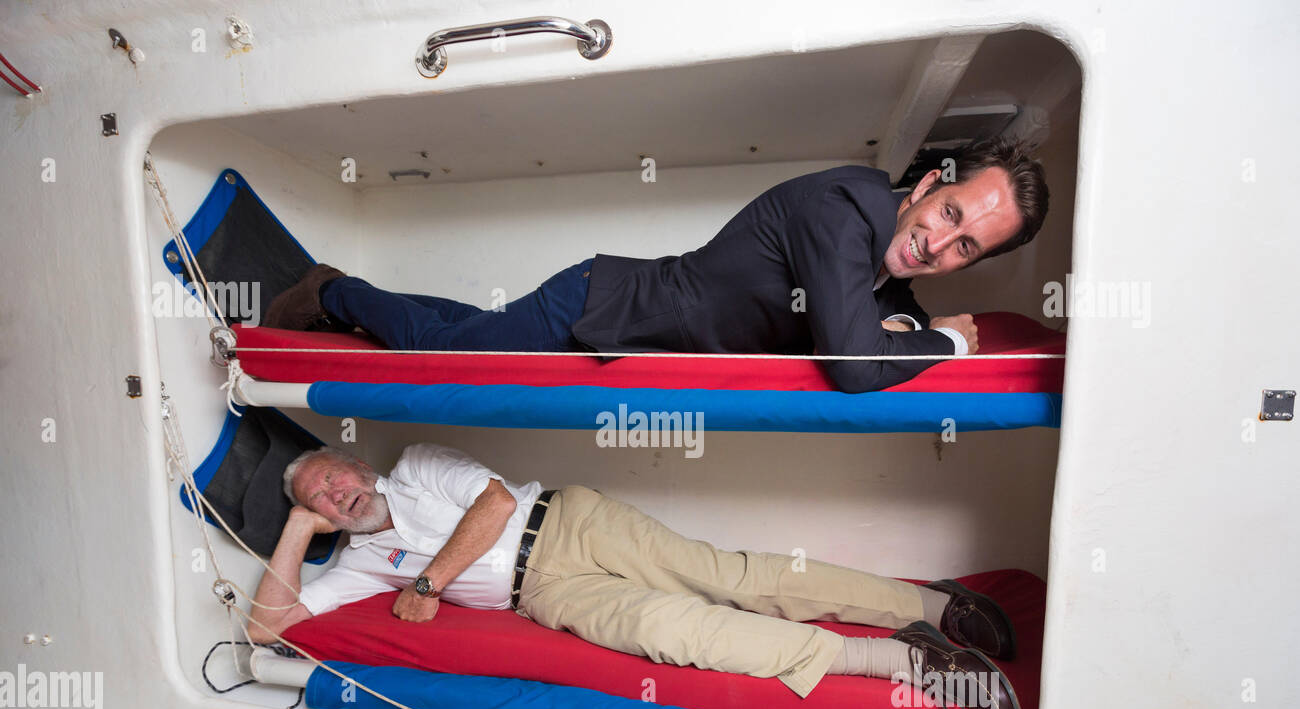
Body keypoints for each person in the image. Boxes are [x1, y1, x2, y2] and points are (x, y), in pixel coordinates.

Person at [249, 443, 1022, 709]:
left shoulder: (418, 464)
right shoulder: (350, 563)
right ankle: (908, 657)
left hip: (567, 522)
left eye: (331, 478)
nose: (331, 495)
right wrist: (292, 531)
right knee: (670, 632)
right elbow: (265, 629)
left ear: (358, 464)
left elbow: (489, 505)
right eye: (314, 498)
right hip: (545, 596)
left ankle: (934, 604)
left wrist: (429, 586)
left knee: (731, 579)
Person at [262, 138, 1047, 393]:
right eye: (950, 216)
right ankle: (337, 291)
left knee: (469, 331)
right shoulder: (844, 211)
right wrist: (945, 344)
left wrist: (906, 318)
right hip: (603, 308)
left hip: (614, 308)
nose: (941, 244)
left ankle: (348, 294)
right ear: (933, 184)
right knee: (448, 359)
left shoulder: (882, 246)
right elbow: (851, 361)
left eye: (967, 246)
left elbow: (880, 313)